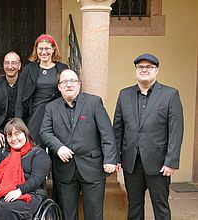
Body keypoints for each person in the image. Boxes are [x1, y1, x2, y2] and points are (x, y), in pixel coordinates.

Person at [113, 53, 184, 220]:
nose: (144, 70)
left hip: (159, 163)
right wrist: (116, 157)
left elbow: (176, 130)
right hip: (131, 162)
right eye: (140, 67)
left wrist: (171, 161)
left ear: (156, 70)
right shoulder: (124, 94)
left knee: (161, 206)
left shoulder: (170, 94)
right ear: (136, 70)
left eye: (149, 67)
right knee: (134, 206)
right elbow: (117, 129)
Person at [40, 69, 117, 220]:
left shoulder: (94, 102)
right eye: (64, 82)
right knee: (67, 215)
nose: (69, 85)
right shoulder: (51, 107)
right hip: (65, 168)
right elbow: (45, 132)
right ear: (59, 87)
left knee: (94, 214)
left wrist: (110, 159)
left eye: (72, 81)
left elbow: (106, 133)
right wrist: (58, 147)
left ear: (79, 85)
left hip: (93, 166)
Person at [15, 34, 68, 145]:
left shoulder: (63, 68)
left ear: (53, 49)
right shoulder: (29, 69)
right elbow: (19, 98)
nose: (44, 52)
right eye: (40, 49)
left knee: (58, 145)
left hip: (57, 113)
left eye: (47, 48)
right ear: (36, 50)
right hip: (36, 113)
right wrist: (18, 122)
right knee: (34, 146)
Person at [0, 51, 21, 151]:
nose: (10, 66)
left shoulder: (26, 85)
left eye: (13, 63)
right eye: (7, 63)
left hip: (21, 129)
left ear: (19, 66)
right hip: (1, 130)